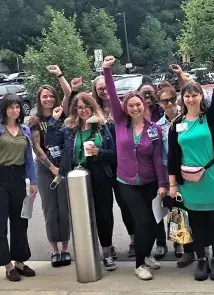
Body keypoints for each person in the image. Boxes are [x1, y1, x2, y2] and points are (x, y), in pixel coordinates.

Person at [103, 55, 167, 280]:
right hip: (127, 183)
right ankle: (140, 264)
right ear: (126, 108)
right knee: (143, 221)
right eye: (130, 105)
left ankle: (146, 255)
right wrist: (107, 70)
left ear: (144, 105)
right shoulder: (121, 124)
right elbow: (111, 95)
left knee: (152, 221)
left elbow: (159, 159)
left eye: (138, 104)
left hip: (150, 182)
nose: (135, 108)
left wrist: (162, 184)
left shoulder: (154, 130)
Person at [168, 57, 214, 281]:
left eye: (195, 94)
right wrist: (173, 184)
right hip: (189, 183)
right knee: (196, 223)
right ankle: (202, 259)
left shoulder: (209, 119)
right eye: (187, 95)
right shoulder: (176, 125)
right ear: (182, 98)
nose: (191, 98)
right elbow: (172, 156)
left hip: (213, 178)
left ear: (201, 97)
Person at [45, 92, 117, 272]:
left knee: (104, 215)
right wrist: (53, 122)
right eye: (80, 107)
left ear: (93, 107)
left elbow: (113, 154)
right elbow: (50, 142)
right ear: (75, 110)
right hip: (77, 176)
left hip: (100, 174)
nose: (84, 110)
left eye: (87, 107)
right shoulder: (69, 128)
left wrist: (99, 152)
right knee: (81, 216)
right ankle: (87, 253)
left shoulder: (103, 126)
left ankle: (107, 253)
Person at [28, 83, 71, 268]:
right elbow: (36, 147)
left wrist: (60, 76)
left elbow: (69, 94)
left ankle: (65, 248)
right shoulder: (35, 120)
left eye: (51, 96)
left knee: (64, 208)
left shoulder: (62, 115)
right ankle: (54, 249)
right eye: (44, 96)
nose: (48, 99)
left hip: (64, 166)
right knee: (50, 209)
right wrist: (52, 167)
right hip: (46, 169)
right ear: (39, 99)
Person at [156, 84, 195, 267]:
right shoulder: (158, 127)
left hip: (192, 171)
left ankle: (203, 247)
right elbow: (161, 156)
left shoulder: (188, 118)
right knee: (177, 212)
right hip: (172, 173)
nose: (170, 103)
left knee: (196, 211)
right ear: (159, 103)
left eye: (172, 99)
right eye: (165, 101)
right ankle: (184, 248)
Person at [0, 94, 38, 282]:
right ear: (4, 109)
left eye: (17, 107)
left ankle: (20, 261)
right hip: (1, 177)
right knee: (1, 223)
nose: (15, 110)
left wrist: (33, 181)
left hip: (18, 178)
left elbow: (29, 159)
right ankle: (7, 265)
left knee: (20, 221)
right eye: (10, 107)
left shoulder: (25, 130)